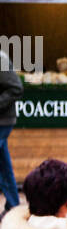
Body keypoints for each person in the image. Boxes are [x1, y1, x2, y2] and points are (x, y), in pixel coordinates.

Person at [0, 49, 22, 217]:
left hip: (3, 121)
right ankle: (13, 205)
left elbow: (16, 88)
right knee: (4, 165)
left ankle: (13, 206)